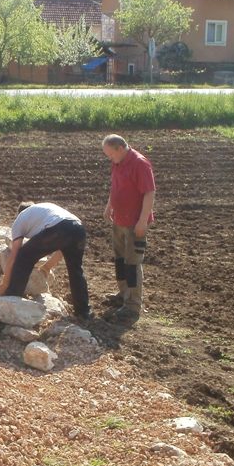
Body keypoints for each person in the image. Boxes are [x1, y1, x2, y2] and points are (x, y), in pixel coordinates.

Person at [0, 202, 91, 320]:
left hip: (59, 228)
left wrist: (5, 283)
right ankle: (83, 311)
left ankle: (13, 297)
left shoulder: (20, 219)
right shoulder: (44, 211)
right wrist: (47, 267)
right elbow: (63, 248)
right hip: (78, 228)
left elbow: (14, 255)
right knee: (75, 269)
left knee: (24, 256)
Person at [101, 134, 156, 324]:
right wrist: (110, 206)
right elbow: (115, 187)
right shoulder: (117, 162)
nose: (109, 158)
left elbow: (149, 193)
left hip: (134, 222)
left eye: (110, 154)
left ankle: (133, 306)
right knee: (120, 259)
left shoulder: (140, 164)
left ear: (119, 148)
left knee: (132, 263)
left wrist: (142, 221)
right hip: (119, 219)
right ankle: (123, 294)